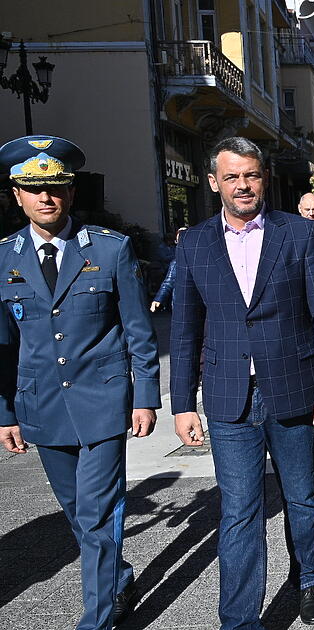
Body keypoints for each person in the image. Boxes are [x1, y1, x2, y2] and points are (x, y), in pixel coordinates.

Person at [170, 137, 314, 628]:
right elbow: (185, 329)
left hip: (293, 387)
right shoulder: (195, 243)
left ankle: (309, 575)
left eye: (250, 175)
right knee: (240, 513)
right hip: (229, 397)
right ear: (214, 182)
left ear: (263, 178)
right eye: (232, 177)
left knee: (302, 497)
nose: (243, 185)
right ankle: (240, 621)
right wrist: (182, 403)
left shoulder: (297, 234)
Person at [0, 135, 160, 630]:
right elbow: (3, 348)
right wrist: (5, 414)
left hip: (104, 401)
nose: (46, 197)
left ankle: (97, 619)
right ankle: (118, 575)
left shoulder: (110, 250)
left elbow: (138, 329)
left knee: (96, 513)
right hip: (42, 405)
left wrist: (146, 397)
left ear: (71, 194)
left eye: (57, 188)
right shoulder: (3, 258)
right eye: (34, 188)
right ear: (17, 194)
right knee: (76, 512)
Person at [151, 226, 188, 312]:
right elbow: (168, 283)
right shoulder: (176, 262)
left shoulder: (202, 258)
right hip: (181, 306)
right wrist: (158, 299)